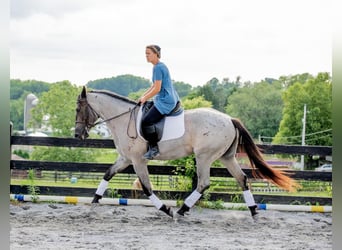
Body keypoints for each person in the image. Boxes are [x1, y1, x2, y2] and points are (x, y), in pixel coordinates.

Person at [138, 45, 180, 160]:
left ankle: (154, 148)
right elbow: (154, 86)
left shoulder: (158, 68)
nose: (146, 56)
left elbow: (157, 89)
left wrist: (145, 98)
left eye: (148, 54)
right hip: (163, 98)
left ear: (156, 54)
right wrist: (144, 96)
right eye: (145, 54)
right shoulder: (158, 66)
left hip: (166, 101)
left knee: (146, 121)